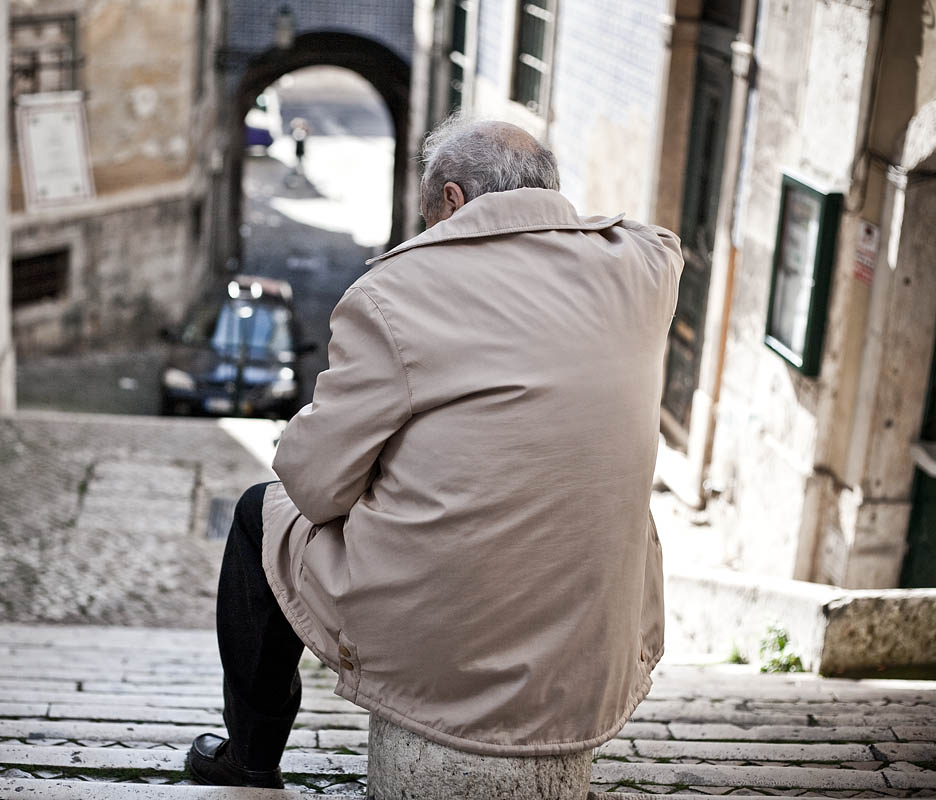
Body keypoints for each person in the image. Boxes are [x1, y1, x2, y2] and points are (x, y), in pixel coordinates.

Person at [186, 113, 683, 788]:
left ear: (451, 201)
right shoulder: (647, 268)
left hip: (447, 639)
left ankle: (250, 758)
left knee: (257, 517)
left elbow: (315, 486)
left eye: (428, 216)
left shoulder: (395, 293)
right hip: (596, 642)